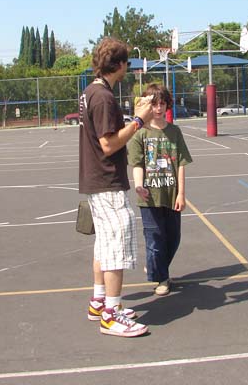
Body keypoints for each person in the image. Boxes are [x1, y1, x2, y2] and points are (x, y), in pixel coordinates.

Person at [78, 37, 154, 338]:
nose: (128, 68)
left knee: (104, 243)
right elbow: (108, 144)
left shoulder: (91, 91)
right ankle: (111, 314)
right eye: (127, 63)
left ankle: (99, 301)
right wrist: (139, 121)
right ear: (119, 64)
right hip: (106, 180)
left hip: (97, 180)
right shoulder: (103, 97)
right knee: (116, 246)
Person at [127, 84, 192, 296]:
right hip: (149, 198)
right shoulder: (139, 134)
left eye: (162, 103)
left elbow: (181, 164)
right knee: (154, 238)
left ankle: (155, 266)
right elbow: (137, 164)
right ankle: (162, 278)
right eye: (154, 104)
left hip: (171, 195)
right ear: (146, 105)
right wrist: (139, 185)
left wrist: (181, 194)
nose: (158, 108)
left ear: (167, 105)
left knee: (173, 238)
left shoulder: (174, 132)